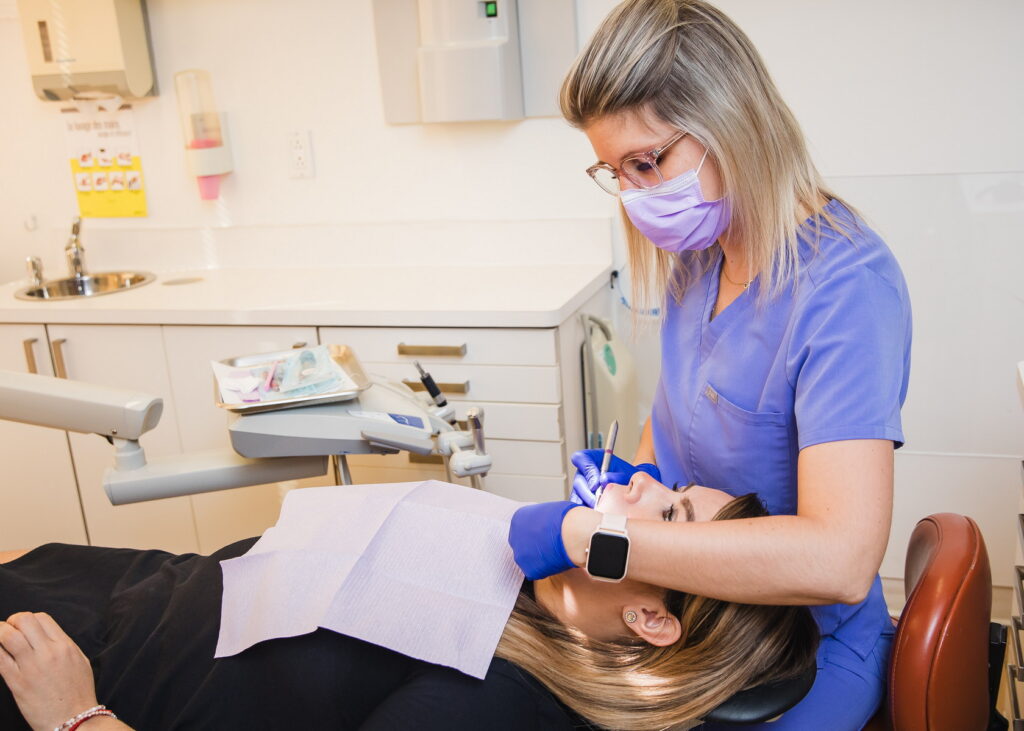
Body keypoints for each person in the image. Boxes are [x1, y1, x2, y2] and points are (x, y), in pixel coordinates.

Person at [507, 1, 912, 729]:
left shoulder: (846, 286)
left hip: (795, 643)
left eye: (647, 162)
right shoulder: (697, 263)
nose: (634, 196)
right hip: (683, 615)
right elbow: (666, 439)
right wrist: (622, 488)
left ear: (730, 122)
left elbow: (841, 559)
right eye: (614, 171)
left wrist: (589, 539)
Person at [0, 480, 816, 731]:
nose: (638, 483)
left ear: (652, 619)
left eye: (668, 513)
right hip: (145, 590)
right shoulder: (536, 592)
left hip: (84, 672)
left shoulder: (495, 704)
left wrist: (76, 717)